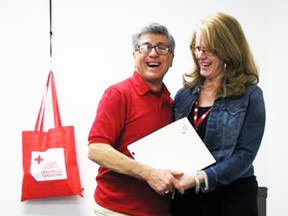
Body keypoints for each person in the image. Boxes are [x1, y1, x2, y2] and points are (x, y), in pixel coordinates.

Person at [171, 12, 266, 216]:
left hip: (233, 197)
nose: (200, 55)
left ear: (228, 50)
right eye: (197, 48)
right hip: (187, 196)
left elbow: (245, 156)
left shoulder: (250, 95)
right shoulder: (183, 95)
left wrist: (200, 178)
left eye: (208, 50)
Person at [87, 23, 182, 216]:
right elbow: (96, 149)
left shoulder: (172, 104)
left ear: (171, 59)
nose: (154, 53)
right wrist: (149, 174)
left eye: (162, 48)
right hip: (117, 210)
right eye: (146, 47)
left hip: (159, 210)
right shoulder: (118, 94)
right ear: (134, 56)